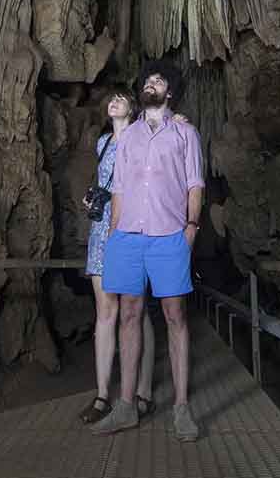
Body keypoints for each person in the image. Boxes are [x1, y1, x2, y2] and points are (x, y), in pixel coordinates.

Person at [91, 64, 204, 441]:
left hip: (169, 235)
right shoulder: (129, 137)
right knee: (128, 314)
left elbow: (195, 184)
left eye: (158, 81)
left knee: (175, 316)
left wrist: (191, 228)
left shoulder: (185, 133)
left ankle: (182, 408)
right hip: (128, 235)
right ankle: (125, 406)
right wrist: (114, 235)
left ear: (170, 92)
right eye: (146, 81)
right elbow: (119, 188)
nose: (150, 84)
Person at [78, 89, 157, 424]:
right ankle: (101, 395)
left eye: (122, 99)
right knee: (105, 311)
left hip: (132, 227)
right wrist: (93, 199)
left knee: (136, 311)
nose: (114, 102)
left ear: (133, 108)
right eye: (112, 99)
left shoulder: (143, 139)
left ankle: (143, 391)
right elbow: (105, 182)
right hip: (101, 232)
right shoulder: (103, 143)